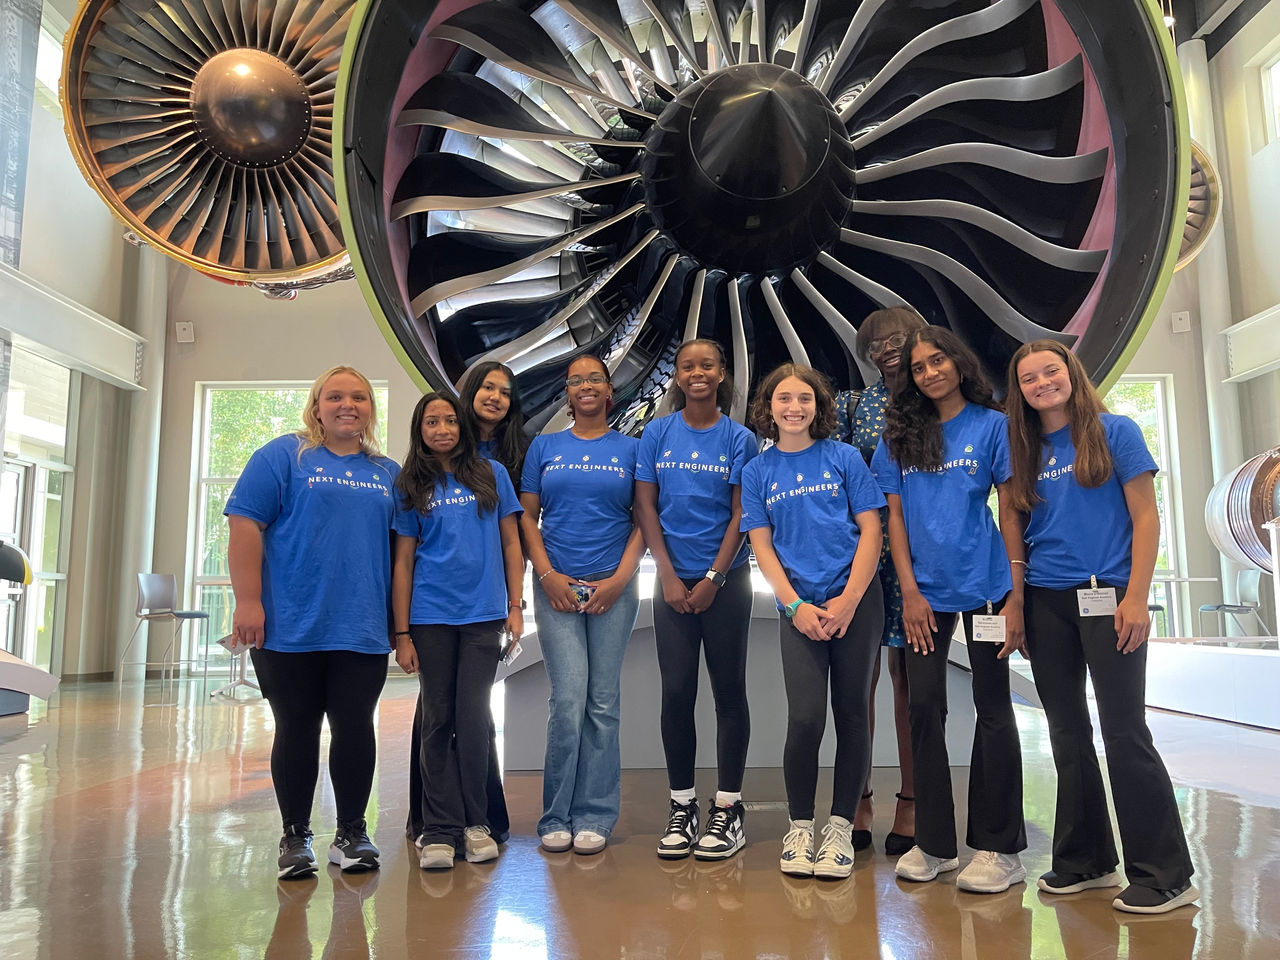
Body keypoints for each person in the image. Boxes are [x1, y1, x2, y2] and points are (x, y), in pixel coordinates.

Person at [1007, 340, 1198, 914]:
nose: (1042, 383)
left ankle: (1165, 875)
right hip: (1047, 601)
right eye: (1029, 378)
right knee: (1066, 733)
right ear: (1019, 391)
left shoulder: (1116, 432)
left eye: (1051, 371)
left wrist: (1137, 596)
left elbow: (1146, 516)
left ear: (1071, 373)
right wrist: (1017, 602)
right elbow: (1013, 527)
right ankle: (1084, 860)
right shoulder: (1025, 449)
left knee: (1123, 731)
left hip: (1109, 594)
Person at [226, 365, 397, 879]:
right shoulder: (284, 456)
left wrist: (399, 621)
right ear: (317, 405)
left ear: (370, 408)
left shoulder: (386, 471)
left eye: (360, 398)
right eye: (336, 396)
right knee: (296, 729)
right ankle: (295, 836)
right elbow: (245, 524)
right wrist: (248, 601)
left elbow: (400, 552)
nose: (349, 405)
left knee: (355, 728)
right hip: (289, 626)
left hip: (361, 627)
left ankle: (351, 834)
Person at [872, 326, 1027, 893]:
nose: (930, 372)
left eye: (938, 360)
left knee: (992, 710)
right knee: (924, 708)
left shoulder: (993, 427)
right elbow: (894, 519)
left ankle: (998, 848)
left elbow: (1010, 511)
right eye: (918, 367)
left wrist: (1016, 595)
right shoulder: (898, 436)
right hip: (924, 597)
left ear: (959, 363)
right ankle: (933, 843)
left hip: (986, 585)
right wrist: (909, 593)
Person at [739, 363, 885, 880]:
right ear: (769, 408)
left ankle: (840, 828)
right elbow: (762, 546)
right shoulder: (757, 471)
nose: (794, 407)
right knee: (805, 718)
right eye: (784, 399)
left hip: (855, 605)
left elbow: (871, 531)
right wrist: (795, 606)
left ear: (818, 406)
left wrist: (849, 600)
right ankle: (800, 827)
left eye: (805, 398)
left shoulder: (844, 457)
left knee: (852, 715)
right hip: (797, 608)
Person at [633, 339, 758, 860]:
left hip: (725, 584)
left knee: (728, 692)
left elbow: (740, 513)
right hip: (671, 585)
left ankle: (727, 808)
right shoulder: (658, 432)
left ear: (722, 373)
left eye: (707, 364)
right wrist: (666, 572)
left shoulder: (740, 437)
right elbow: (645, 502)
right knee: (677, 692)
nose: (698, 373)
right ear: (678, 376)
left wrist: (714, 577)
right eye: (688, 366)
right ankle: (682, 806)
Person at [392, 392, 524, 870]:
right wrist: (402, 633)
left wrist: (515, 605)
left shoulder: (493, 476)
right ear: (420, 430)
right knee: (436, 720)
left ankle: (477, 823)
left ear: (462, 426)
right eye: (432, 421)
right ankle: (439, 829)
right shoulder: (410, 485)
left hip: (483, 617)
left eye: (450, 419)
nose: (443, 428)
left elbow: (512, 542)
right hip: (430, 619)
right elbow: (403, 561)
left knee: (474, 720)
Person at [520, 354, 646, 855]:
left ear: (609, 390)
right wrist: (548, 577)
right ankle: (556, 815)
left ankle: (595, 813)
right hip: (556, 589)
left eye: (595, 378)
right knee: (568, 702)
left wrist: (618, 580)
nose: (585, 386)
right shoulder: (544, 447)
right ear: (567, 394)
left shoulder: (633, 449)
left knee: (603, 704)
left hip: (614, 588)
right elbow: (527, 519)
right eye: (576, 381)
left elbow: (644, 521)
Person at [833, 306, 927, 854]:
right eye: (874, 343)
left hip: (920, 556)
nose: (885, 348)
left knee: (908, 676)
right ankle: (860, 796)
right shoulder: (853, 406)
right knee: (861, 676)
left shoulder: (933, 404)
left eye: (895, 338)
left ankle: (912, 799)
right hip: (866, 554)